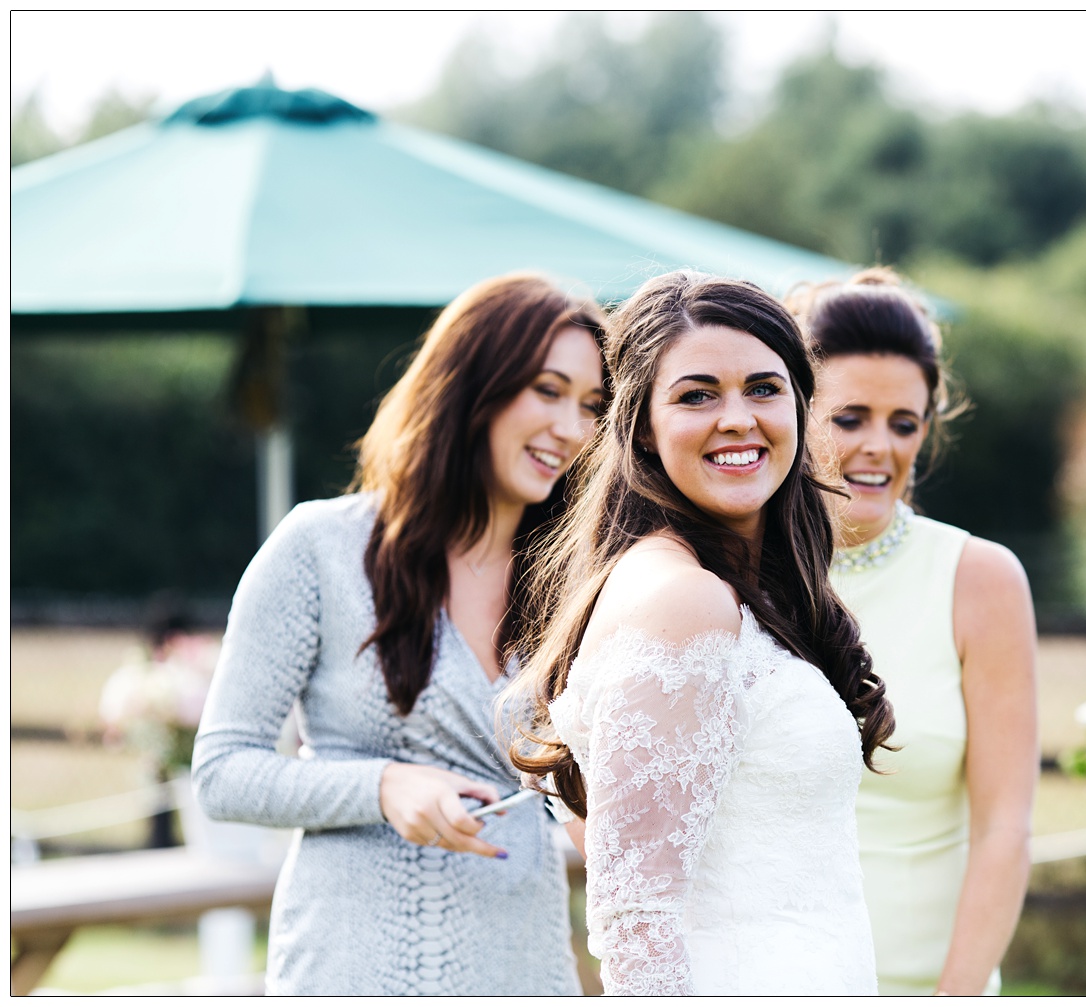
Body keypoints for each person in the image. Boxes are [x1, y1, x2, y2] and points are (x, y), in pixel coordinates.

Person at [192, 274, 607, 995]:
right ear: (470, 383)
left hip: (524, 966)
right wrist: (383, 785)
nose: (572, 428)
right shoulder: (320, 547)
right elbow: (223, 771)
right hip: (352, 966)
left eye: (592, 406)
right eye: (547, 390)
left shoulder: (576, 581)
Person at [505, 271, 895, 996]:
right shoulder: (681, 599)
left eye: (763, 388)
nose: (738, 417)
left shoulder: (746, 591)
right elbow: (634, 915)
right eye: (696, 395)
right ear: (642, 427)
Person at [791, 268, 1038, 996]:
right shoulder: (730, 577)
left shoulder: (980, 579)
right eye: (849, 417)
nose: (880, 447)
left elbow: (1005, 828)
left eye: (905, 423)